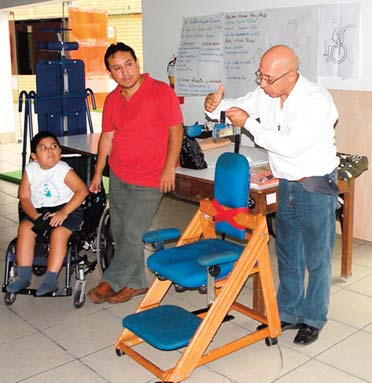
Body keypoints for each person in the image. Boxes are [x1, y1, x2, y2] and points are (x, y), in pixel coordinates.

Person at [205, 45, 339, 346]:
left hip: (315, 185)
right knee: (288, 253)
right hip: (287, 184)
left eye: (268, 79)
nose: (262, 84)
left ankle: (314, 318)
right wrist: (213, 104)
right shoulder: (266, 94)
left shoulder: (316, 100)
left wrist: (248, 123)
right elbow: (232, 106)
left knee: (317, 258)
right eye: (260, 76)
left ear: (291, 76)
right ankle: (288, 312)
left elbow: (289, 145)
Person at [87, 42, 183, 304]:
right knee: (119, 229)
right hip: (119, 174)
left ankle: (112, 280)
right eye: (117, 68)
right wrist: (98, 174)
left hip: (150, 177)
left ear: (137, 63)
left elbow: (176, 131)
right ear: (110, 73)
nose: (125, 72)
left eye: (128, 64)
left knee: (132, 230)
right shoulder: (112, 99)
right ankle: (137, 283)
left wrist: (168, 169)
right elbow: (107, 137)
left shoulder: (161, 92)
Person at [6, 131, 89, 296]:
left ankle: (50, 280)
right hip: (40, 211)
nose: (50, 150)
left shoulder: (63, 169)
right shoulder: (30, 170)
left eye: (54, 146)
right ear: (34, 156)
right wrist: (34, 216)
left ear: (60, 151)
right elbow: (24, 197)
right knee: (25, 229)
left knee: (58, 234)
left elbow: (82, 191)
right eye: (44, 148)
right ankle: (23, 277)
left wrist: (64, 212)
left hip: (67, 210)